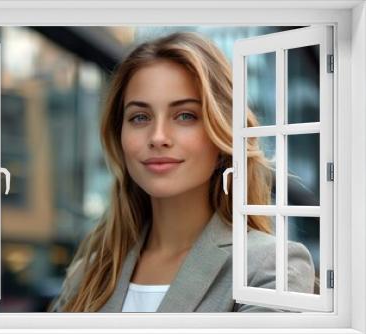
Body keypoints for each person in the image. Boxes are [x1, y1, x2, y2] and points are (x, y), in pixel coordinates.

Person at [49, 31, 315, 313]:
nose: (158, 136)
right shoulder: (89, 274)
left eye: (185, 115)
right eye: (140, 117)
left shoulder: (268, 266)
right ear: (119, 136)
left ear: (222, 133)